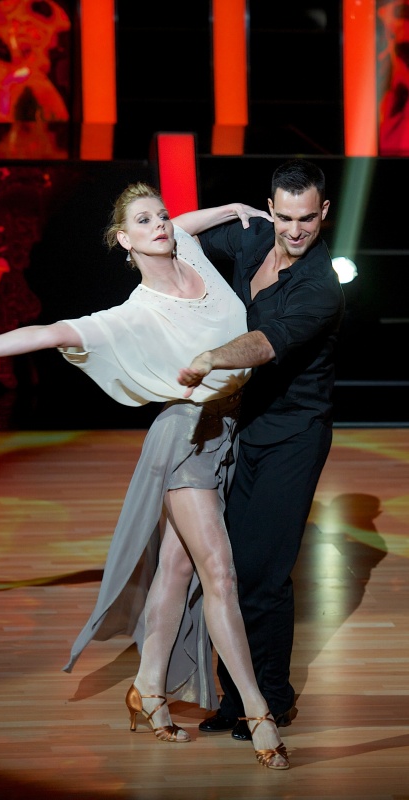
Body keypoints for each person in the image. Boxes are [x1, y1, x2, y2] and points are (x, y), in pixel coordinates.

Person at [0, 182, 289, 769]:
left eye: (162, 215)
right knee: (219, 570)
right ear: (122, 240)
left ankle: (148, 689)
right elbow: (51, 333)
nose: (160, 225)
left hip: (231, 428)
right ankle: (259, 713)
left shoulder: (188, 248)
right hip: (185, 438)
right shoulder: (133, 313)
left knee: (177, 567)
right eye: (144, 221)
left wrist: (228, 209)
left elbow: (187, 222)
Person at [174, 158, 346, 741]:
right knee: (225, 567)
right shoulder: (252, 238)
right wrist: (227, 210)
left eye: (307, 219)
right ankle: (236, 698)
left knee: (262, 572)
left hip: (295, 435)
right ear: (269, 209)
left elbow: (266, 343)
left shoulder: (320, 286)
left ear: (323, 213)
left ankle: (272, 699)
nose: (295, 231)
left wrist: (210, 358)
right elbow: (173, 236)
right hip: (244, 428)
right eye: (285, 217)